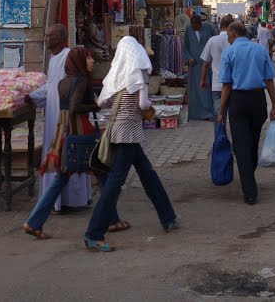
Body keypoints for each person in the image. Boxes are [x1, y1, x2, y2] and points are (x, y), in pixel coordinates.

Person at [84, 37, 179, 252]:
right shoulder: (139, 73)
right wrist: (149, 109)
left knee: (148, 174)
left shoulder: (116, 73)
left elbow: (102, 103)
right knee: (115, 182)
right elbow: (143, 103)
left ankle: (168, 216)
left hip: (118, 128)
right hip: (130, 131)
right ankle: (94, 233)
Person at [22, 47, 129, 239]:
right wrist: (96, 105)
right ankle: (112, 220)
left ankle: (34, 222)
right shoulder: (81, 81)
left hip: (66, 132)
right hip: (82, 134)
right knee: (102, 174)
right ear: (80, 60)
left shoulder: (64, 81)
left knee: (63, 179)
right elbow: (75, 107)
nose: (92, 61)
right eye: (88, 57)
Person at [27, 25, 92, 212]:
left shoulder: (68, 56)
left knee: (68, 152)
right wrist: (33, 95)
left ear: (59, 38)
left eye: (49, 36)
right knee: (57, 153)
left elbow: (75, 84)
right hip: (53, 113)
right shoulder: (53, 58)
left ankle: (73, 199)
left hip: (66, 114)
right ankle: (57, 200)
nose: (46, 39)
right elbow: (50, 86)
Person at [217, 21, 275, 205]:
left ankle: (250, 190)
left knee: (242, 145)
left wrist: (221, 111)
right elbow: (269, 80)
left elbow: (226, 85)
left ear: (234, 34)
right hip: (258, 101)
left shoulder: (229, 52)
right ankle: (249, 179)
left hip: (238, 101)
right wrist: (274, 105)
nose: (227, 39)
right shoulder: (260, 50)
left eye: (228, 35)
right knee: (252, 142)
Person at [200, 15, 234, 128]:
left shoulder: (212, 41)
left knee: (219, 117)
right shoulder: (235, 42)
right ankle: (236, 142)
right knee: (235, 118)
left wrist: (203, 80)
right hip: (234, 85)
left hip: (217, 85)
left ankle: (220, 143)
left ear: (220, 26)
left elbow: (205, 64)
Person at [183, 14, 216, 121]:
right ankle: (195, 113)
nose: (194, 27)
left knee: (206, 88)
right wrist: (188, 58)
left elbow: (214, 43)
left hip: (207, 64)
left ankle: (208, 113)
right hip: (194, 65)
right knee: (195, 90)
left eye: (195, 25)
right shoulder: (188, 30)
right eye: (192, 25)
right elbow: (185, 46)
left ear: (200, 23)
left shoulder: (209, 28)